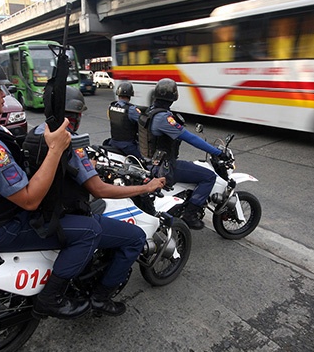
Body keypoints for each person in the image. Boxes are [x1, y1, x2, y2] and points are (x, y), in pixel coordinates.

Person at [0, 55, 165, 321]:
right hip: (6, 226)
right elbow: (31, 200)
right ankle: (61, 298)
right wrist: (57, 149)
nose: (3, 95)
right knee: (92, 230)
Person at [23, 86, 166, 317]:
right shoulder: (70, 143)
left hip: (42, 211)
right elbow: (98, 189)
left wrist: (92, 165)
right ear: (77, 116)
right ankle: (100, 298)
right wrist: (145, 187)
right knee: (135, 237)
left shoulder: (37, 133)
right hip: (64, 215)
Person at [138, 78, 230, 230]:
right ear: (174, 96)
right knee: (209, 176)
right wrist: (217, 152)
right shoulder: (164, 118)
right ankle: (190, 214)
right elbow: (190, 138)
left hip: (149, 163)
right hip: (165, 167)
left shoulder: (149, 112)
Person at [107, 81, 143, 159]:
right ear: (130, 95)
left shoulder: (111, 106)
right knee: (146, 161)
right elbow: (143, 122)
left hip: (113, 142)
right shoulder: (131, 109)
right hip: (127, 146)